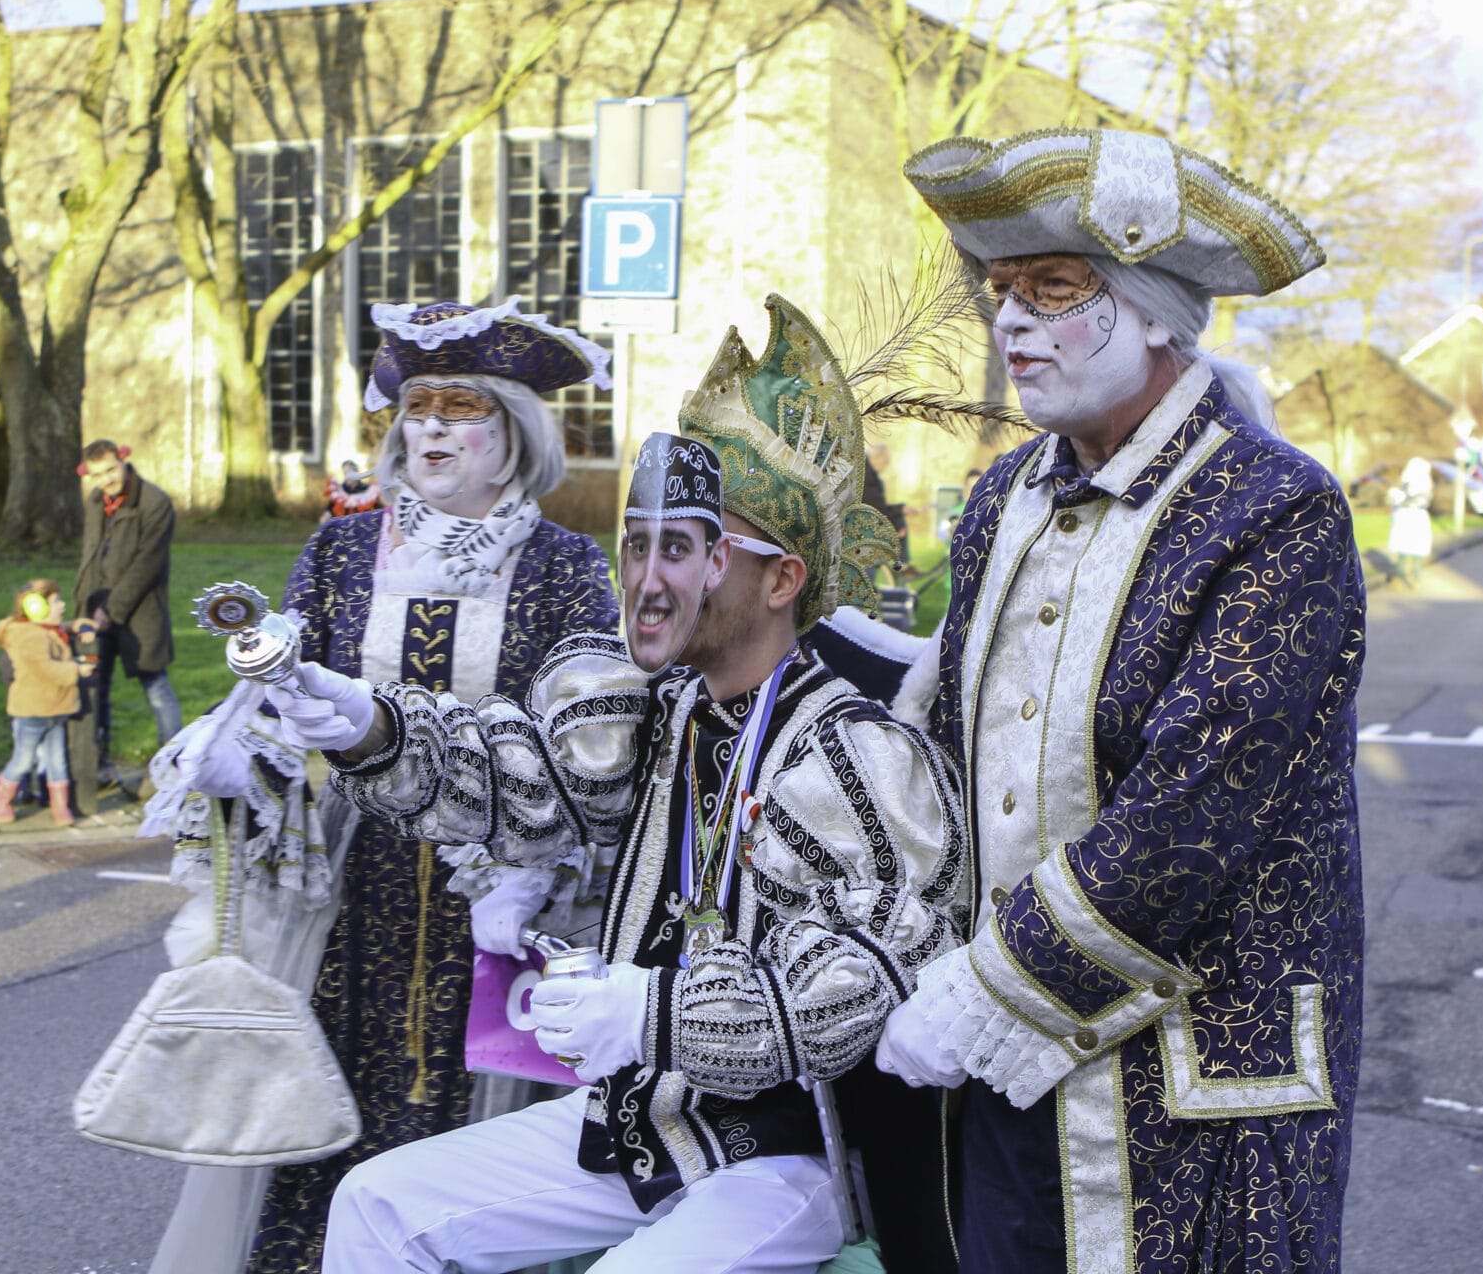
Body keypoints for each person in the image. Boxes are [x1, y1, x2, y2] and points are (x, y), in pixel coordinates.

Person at [272, 297, 967, 1273]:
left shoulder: (849, 748)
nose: (645, 577)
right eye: (638, 542)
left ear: (779, 580)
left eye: (684, 549)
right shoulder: (655, 705)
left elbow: (868, 974)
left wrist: (651, 1011)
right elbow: (523, 780)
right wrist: (368, 724)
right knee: (377, 1203)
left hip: (785, 1156)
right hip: (641, 1122)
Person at [876, 129, 1366, 1272]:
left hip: (1197, 1094)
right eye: (1002, 290)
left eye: (1054, 288)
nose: (1011, 322)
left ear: (1155, 312)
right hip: (1008, 1078)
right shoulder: (1003, 495)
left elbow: (1191, 815)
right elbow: (950, 739)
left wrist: (984, 988)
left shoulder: (1276, 511)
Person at [140, 296, 623, 1274]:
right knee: (329, 1099)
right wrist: (240, 758)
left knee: (471, 1126)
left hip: (494, 893)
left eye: (460, 407)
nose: (431, 427)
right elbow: (279, 697)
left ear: (514, 431)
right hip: (353, 889)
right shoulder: (342, 549)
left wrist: (532, 871)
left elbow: (595, 746)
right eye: (418, 407)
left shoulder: (567, 564)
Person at [74, 440, 182, 789]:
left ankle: (174, 766)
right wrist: (86, 607)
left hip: (140, 611)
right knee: (96, 688)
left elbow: (146, 564)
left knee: (156, 686)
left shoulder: (154, 502)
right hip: (97, 610)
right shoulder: (96, 502)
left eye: (111, 470)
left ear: (123, 461)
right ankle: (98, 766)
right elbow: (92, 556)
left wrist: (112, 609)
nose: (106, 480)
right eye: (97, 475)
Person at [0, 579, 91, 826]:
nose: (62, 605)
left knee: (57, 761)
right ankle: (3, 801)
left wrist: (77, 625)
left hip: (55, 709)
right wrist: (76, 670)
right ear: (37, 608)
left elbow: (55, 629)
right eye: (56, 602)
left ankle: (60, 806)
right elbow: (44, 668)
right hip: (33, 711)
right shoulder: (28, 637)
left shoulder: (43, 630)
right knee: (23, 760)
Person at [1386, 455, 1435, 585]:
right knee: (1414, 547)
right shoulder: (1425, 483)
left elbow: (1400, 499)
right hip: (1417, 517)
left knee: (1405, 546)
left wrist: (1396, 496)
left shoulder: (1410, 483)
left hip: (1407, 517)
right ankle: (1414, 578)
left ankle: (1401, 577)